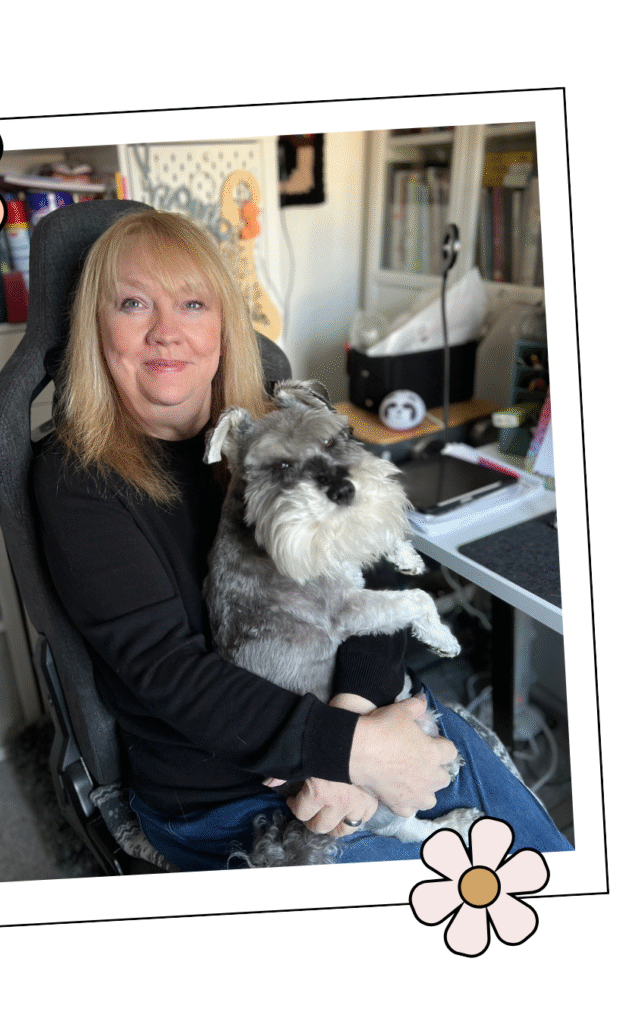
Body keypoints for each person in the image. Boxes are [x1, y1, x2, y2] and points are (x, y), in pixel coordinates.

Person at [33, 208, 572, 871]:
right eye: (133, 303)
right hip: (225, 791)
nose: (166, 332)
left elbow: (378, 573)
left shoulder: (278, 428)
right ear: (96, 327)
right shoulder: (78, 477)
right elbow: (167, 672)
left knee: (548, 877)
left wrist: (352, 721)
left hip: (362, 718)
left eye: (192, 303)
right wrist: (348, 750)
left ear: (224, 325)